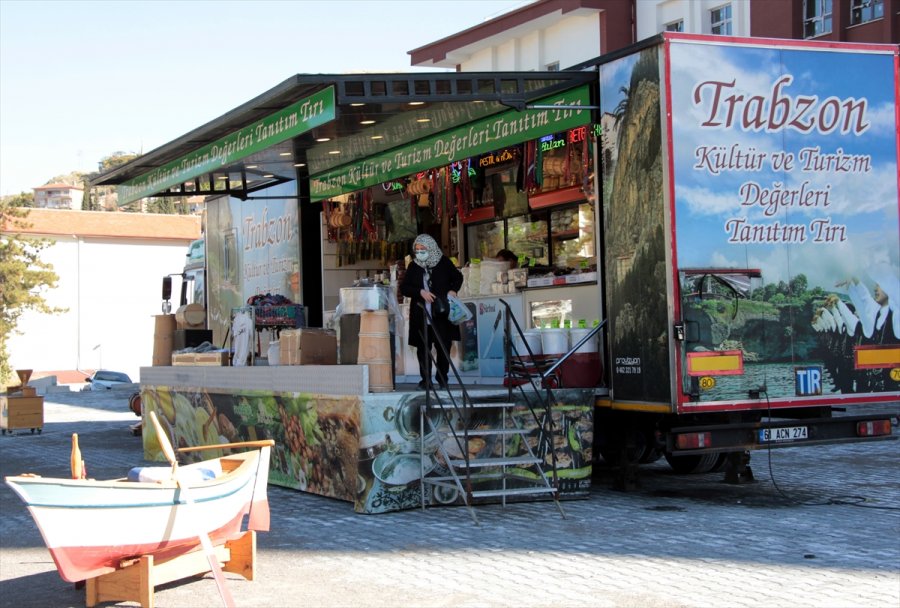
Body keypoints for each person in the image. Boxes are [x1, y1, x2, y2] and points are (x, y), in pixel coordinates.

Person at [400, 234, 463, 390]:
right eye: (417, 249)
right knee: (423, 348)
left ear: (431, 247)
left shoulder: (443, 262)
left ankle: (442, 378)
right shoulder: (414, 266)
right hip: (421, 313)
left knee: (443, 346)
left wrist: (453, 290)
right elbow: (405, 287)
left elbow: (458, 277)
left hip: (441, 313)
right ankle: (426, 381)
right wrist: (420, 292)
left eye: (423, 248)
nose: (420, 252)